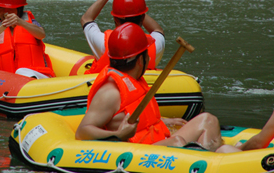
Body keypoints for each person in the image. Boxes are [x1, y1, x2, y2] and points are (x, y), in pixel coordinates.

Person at [75, 22, 236, 152]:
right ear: (140, 60)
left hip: (156, 140)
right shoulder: (110, 92)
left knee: (208, 120)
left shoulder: (134, 80)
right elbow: (82, 131)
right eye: (147, 53)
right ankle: (213, 158)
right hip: (137, 152)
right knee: (177, 142)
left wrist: (165, 121)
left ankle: (215, 158)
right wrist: (118, 134)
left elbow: (141, 117)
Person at [81, 0, 165, 74]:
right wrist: (134, 8)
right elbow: (157, 30)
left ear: (115, 19)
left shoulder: (104, 44)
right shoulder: (156, 45)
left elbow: (86, 19)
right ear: (142, 17)